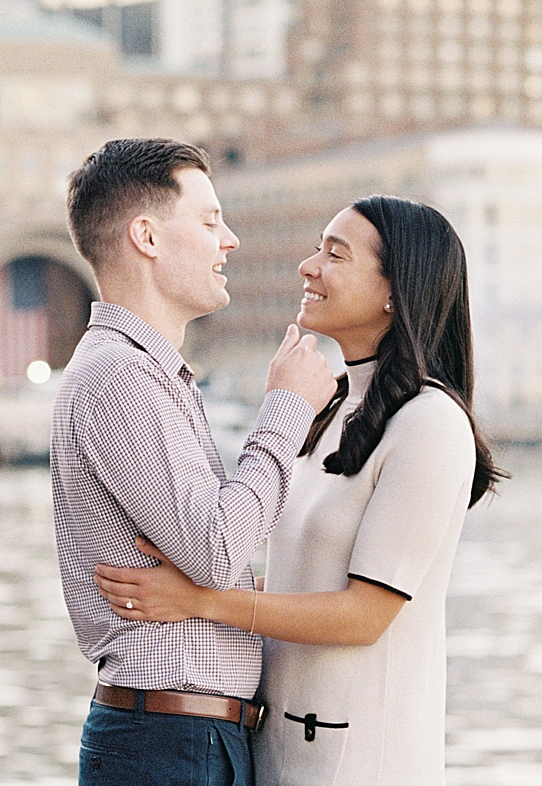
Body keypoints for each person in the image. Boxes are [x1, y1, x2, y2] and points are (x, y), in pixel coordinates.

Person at [93, 195, 506, 786]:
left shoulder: (430, 421)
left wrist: (203, 600)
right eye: (317, 249)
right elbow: (305, 574)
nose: (307, 267)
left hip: (363, 761)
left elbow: (365, 613)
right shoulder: (331, 403)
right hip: (277, 750)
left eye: (334, 255)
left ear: (396, 290)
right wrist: (192, 580)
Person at [51, 138, 337, 786]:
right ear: (147, 236)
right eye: (210, 222)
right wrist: (287, 408)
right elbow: (215, 548)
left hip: (186, 737)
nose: (229, 240)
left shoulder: (145, 374)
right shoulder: (122, 378)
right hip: (170, 742)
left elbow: (212, 563)